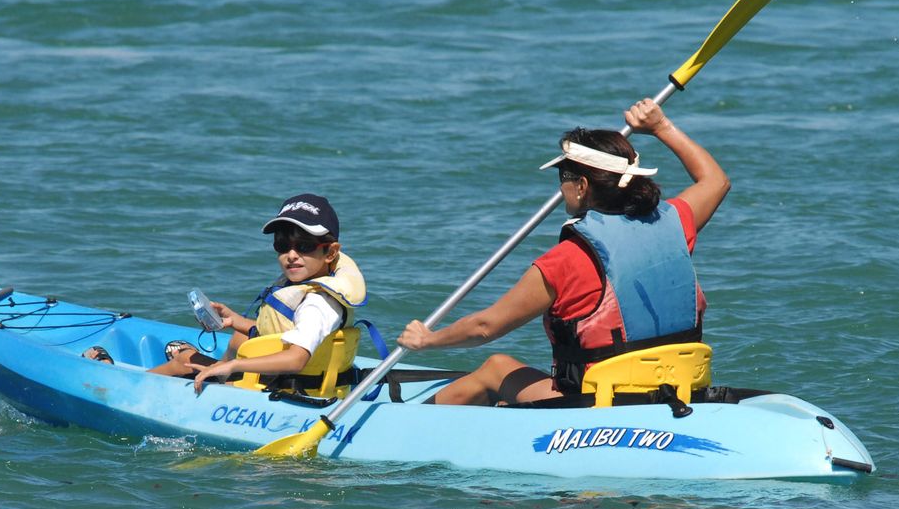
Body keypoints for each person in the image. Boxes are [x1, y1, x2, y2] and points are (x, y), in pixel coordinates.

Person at [397, 98, 729, 406]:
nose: (561, 186)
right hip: (679, 385)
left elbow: (486, 326)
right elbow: (715, 181)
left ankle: (403, 426)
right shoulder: (674, 221)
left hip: (597, 402)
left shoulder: (566, 260)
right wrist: (661, 127)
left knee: (495, 368)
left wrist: (428, 340)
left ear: (582, 186)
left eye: (563, 177)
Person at [86, 194, 367, 394]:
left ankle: (118, 385)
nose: (291, 255)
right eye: (282, 245)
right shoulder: (317, 291)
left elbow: (296, 359)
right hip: (289, 382)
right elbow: (285, 333)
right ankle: (197, 361)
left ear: (330, 252)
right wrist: (236, 320)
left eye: (304, 246)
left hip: (273, 389)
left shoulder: (316, 303)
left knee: (185, 361)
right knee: (240, 335)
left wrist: (231, 365)